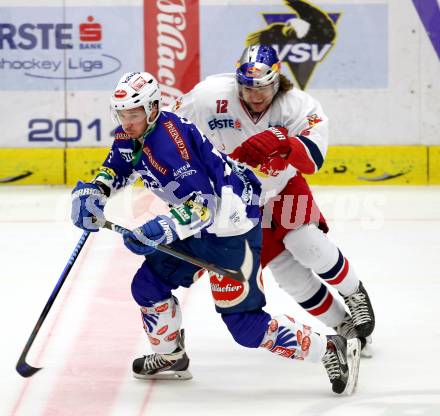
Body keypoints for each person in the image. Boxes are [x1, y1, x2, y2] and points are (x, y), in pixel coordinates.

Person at [70, 71, 361, 394]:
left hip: (231, 231)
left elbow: (204, 206)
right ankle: (171, 356)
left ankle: (328, 348)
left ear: (152, 109)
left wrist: (161, 227)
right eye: (122, 114)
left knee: (246, 327)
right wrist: (95, 191)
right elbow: (118, 165)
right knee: (147, 286)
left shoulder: (169, 145)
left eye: (134, 114)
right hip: (196, 228)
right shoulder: (134, 134)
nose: (127, 122)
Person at [168, 45, 375, 348]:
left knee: (305, 243)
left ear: (277, 81)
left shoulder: (297, 106)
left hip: (283, 189)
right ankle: (343, 325)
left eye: (262, 87)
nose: (254, 95)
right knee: (289, 275)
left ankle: (353, 291)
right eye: (247, 87)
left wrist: (285, 142)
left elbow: (313, 161)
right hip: (239, 206)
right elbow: (169, 126)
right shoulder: (208, 96)